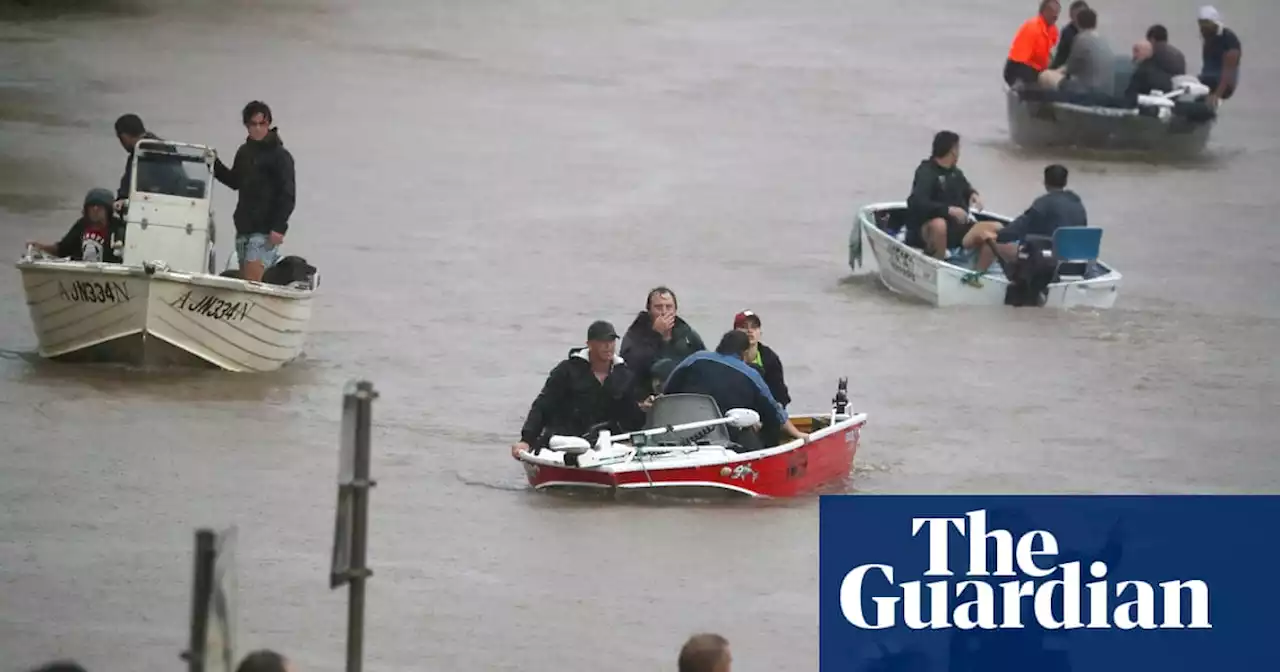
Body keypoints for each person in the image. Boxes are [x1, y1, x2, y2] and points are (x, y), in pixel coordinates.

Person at [511, 320, 647, 459]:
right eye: (602, 341)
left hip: (608, 444)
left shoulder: (624, 375)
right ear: (589, 344)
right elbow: (543, 405)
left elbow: (632, 416)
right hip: (566, 442)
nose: (608, 346)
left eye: (611, 341)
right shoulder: (567, 370)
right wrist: (526, 440)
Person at [662, 330, 807, 452]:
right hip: (725, 442)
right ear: (744, 352)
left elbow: (668, 389)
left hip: (681, 433)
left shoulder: (695, 358)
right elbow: (774, 412)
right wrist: (795, 433)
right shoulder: (751, 375)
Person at [213, 100, 296, 282]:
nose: (258, 129)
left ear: (269, 124)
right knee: (246, 279)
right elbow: (235, 181)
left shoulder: (280, 156)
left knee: (252, 279)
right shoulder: (244, 152)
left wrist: (279, 227)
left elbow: (288, 194)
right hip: (244, 227)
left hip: (266, 230)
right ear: (246, 126)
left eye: (262, 124)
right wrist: (214, 164)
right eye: (253, 124)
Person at [904, 131, 1003, 261]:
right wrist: (948, 210)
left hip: (958, 230)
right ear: (953, 151)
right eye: (958, 148)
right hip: (928, 230)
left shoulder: (955, 173)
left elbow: (966, 187)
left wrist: (973, 194)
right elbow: (916, 202)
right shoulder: (926, 172)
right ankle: (937, 264)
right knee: (939, 225)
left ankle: (976, 276)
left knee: (997, 228)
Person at [973, 164, 1085, 273]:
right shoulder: (1077, 202)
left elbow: (1020, 227)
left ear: (1045, 182)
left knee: (989, 246)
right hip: (1074, 261)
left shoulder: (1043, 203)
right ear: (1065, 182)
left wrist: (998, 236)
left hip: (1047, 260)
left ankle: (974, 279)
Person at [620, 286, 706, 396]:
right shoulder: (636, 334)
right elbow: (630, 367)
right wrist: (655, 335)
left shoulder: (687, 335)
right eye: (658, 307)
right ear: (649, 310)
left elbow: (703, 364)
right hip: (646, 397)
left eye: (669, 307)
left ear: (675, 310)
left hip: (682, 397)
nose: (664, 312)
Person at [27, 188, 127, 263]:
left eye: (100, 206)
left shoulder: (119, 227)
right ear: (86, 209)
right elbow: (62, 249)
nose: (95, 209)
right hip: (79, 276)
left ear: (108, 210)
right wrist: (40, 247)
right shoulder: (81, 225)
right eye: (92, 206)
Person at [732, 310, 790, 408]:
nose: (750, 331)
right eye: (744, 327)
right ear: (734, 332)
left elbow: (780, 395)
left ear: (760, 332)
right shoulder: (726, 355)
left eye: (754, 327)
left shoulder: (770, 358)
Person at [1051, 8, 1115, 95]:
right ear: (1095, 23)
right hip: (1107, 91)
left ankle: (1047, 106)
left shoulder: (1081, 39)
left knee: (1046, 77)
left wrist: (1054, 72)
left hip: (1088, 91)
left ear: (1077, 23)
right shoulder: (1103, 39)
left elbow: (1070, 68)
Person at [1003, 0, 1061, 88]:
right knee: (1033, 88)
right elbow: (1019, 61)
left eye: (1057, 12)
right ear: (1043, 12)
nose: (1055, 16)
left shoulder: (1053, 30)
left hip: (1038, 69)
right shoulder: (1032, 28)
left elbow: (1050, 54)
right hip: (1017, 68)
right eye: (1052, 11)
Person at [112, 113, 163, 208]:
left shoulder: (140, 154)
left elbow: (132, 184)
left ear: (124, 136)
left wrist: (122, 198)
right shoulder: (165, 147)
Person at [1196, 6, 1241, 105]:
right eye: (1200, 25)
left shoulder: (1228, 40)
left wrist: (1217, 95)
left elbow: (1228, 72)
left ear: (1213, 23)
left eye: (1204, 26)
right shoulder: (1208, 38)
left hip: (1222, 83)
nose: (1201, 30)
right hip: (1208, 79)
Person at [1048, 1, 1089, 70]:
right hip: (1060, 69)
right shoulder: (1068, 32)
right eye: (1077, 15)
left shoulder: (1088, 32)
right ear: (1071, 16)